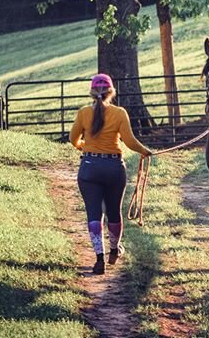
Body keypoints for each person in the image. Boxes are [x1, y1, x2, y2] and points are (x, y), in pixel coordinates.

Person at [69, 73, 152, 275]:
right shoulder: (119, 113)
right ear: (111, 92)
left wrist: (84, 147)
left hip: (89, 167)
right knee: (114, 211)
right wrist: (145, 151)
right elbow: (129, 141)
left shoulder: (83, 113)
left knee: (94, 213)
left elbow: (73, 139)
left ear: (92, 92)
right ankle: (114, 250)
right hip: (114, 168)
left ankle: (99, 258)